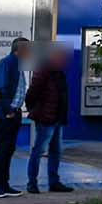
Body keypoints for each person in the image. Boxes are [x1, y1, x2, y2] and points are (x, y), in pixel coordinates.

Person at [24, 44, 74, 194]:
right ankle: (32, 182)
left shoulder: (59, 73)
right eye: (60, 57)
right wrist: (35, 109)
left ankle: (54, 182)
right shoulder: (43, 71)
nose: (63, 60)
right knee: (39, 150)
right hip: (46, 118)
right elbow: (32, 93)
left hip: (57, 117)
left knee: (56, 151)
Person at [0, 37, 30, 198]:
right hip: (6, 113)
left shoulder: (18, 65)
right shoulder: (7, 63)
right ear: (20, 49)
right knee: (2, 149)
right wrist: (7, 110)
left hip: (14, 112)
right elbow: (0, 89)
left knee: (9, 149)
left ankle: (4, 183)